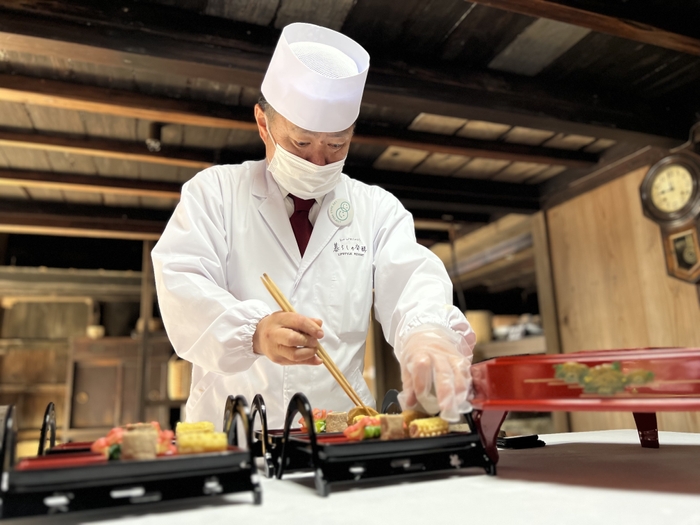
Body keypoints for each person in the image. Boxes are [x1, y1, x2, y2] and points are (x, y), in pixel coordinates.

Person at [152, 22, 476, 430]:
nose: (319, 161)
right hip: (233, 428)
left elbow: (413, 282)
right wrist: (254, 332)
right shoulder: (215, 193)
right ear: (262, 124)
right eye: (301, 144)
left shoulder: (375, 209)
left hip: (343, 429)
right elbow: (181, 282)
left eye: (336, 145)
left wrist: (426, 335)